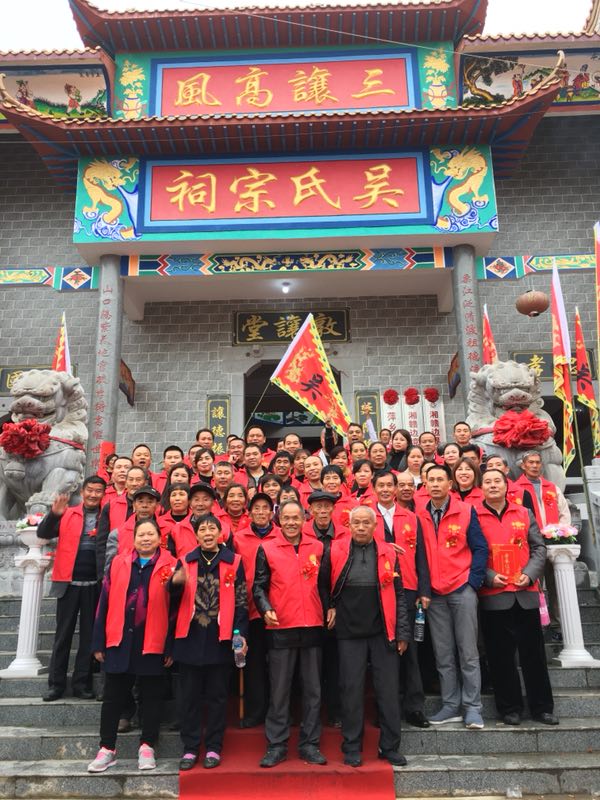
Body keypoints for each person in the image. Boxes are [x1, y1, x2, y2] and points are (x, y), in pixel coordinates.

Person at [88, 518, 177, 773]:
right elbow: (103, 602)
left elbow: (175, 610)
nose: (146, 539)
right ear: (134, 539)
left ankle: (147, 745)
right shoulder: (119, 563)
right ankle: (107, 748)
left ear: (160, 538)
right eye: (141, 535)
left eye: (151, 534)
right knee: (113, 697)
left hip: (153, 640)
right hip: (119, 638)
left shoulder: (171, 566)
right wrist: (98, 641)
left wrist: (170, 646)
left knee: (151, 697)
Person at [253, 500, 334, 768]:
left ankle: (310, 744)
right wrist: (265, 608)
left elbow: (324, 585)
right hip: (281, 626)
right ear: (278, 520)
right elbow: (259, 586)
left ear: (304, 520)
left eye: (295, 518)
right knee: (279, 690)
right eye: (286, 518)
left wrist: (330, 607)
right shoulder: (267, 548)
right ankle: (276, 745)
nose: (290, 523)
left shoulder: (318, 547)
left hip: (312, 625)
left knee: (313, 690)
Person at [330, 506, 411, 766]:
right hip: (348, 631)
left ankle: (389, 746)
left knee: (388, 691)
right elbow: (324, 586)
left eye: (367, 522)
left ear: (376, 526)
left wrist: (402, 632)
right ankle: (352, 746)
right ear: (349, 525)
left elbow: (399, 594)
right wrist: (330, 607)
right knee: (351, 691)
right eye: (357, 523)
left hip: (383, 631)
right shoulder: (336, 550)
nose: (362, 527)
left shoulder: (389, 552)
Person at [477, 469, 558, 726]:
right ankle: (509, 708)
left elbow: (538, 547)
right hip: (494, 595)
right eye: (487, 482)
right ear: (481, 487)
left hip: (525, 593)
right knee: (500, 657)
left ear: (506, 486)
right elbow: (471, 552)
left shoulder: (523, 513)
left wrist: (530, 574)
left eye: (497, 481)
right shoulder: (474, 515)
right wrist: (489, 576)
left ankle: (542, 708)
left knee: (534, 655)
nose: (492, 485)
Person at [172, 513, 248, 770]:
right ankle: (190, 747)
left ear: (220, 534)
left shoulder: (234, 561)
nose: (207, 533)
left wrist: (240, 634)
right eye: (202, 529)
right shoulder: (185, 561)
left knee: (217, 697)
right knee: (189, 698)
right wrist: (174, 585)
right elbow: (172, 600)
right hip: (189, 637)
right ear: (196, 535)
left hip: (220, 639)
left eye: (211, 529)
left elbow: (241, 601)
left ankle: (214, 746)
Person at [417, 464, 488, 729]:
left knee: (468, 652)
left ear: (450, 484)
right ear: (425, 484)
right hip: (435, 595)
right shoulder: (419, 514)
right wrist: (424, 589)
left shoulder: (466, 511)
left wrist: (473, 582)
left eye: (440, 480)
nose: (435, 484)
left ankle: (473, 708)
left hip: (461, 589)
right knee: (443, 654)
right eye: (431, 480)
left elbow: (480, 548)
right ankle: (450, 705)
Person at [37, 475, 107, 701]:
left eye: (98, 491)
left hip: (94, 584)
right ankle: (56, 684)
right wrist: (54, 514)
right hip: (67, 583)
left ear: (103, 494)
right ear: (83, 492)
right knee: (63, 635)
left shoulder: (106, 516)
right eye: (90, 490)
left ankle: (81, 684)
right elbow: (43, 534)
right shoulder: (68, 513)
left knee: (88, 637)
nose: (94, 494)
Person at [372, 470, 431, 728]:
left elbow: (422, 557)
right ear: (374, 489)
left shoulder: (411, 518)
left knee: (411, 652)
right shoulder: (366, 517)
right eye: (381, 485)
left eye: (389, 485)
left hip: (407, 589)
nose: (385, 489)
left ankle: (414, 707)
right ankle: (385, 708)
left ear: (396, 489)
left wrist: (424, 590)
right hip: (377, 591)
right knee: (383, 653)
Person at [234, 493, 281, 728]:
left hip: (278, 610)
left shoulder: (281, 535)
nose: (261, 512)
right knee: (254, 664)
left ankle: (280, 709)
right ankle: (256, 711)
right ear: (249, 512)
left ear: (272, 513)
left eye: (265, 508)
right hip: (250, 608)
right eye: (257, 508)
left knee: (279, 664)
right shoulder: (238, 538)